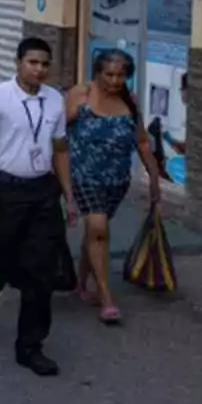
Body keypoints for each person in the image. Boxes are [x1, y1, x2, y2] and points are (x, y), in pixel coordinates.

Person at [0, 36, 77, 376]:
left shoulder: (55, 100)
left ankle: (30, 347)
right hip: (6, 190)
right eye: (32, 62)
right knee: (2, 262)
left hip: (43, 191)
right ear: (18, 62)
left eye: (44, 64)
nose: (39, 70)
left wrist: (68, 195)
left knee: (41, 272)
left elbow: (60, 149)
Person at [65, 49, 162, 323]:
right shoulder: (80, 95)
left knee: (96, 232)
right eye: (109, 74)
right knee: (98, 228)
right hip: (84, 176)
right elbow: (57, 134)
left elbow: (142, 141)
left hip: (116, 180)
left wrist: (154, 177)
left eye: (121, 75)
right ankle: (106, 298)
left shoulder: (129, 102)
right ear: (97, 72)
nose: (115, 80)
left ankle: (81, 283)